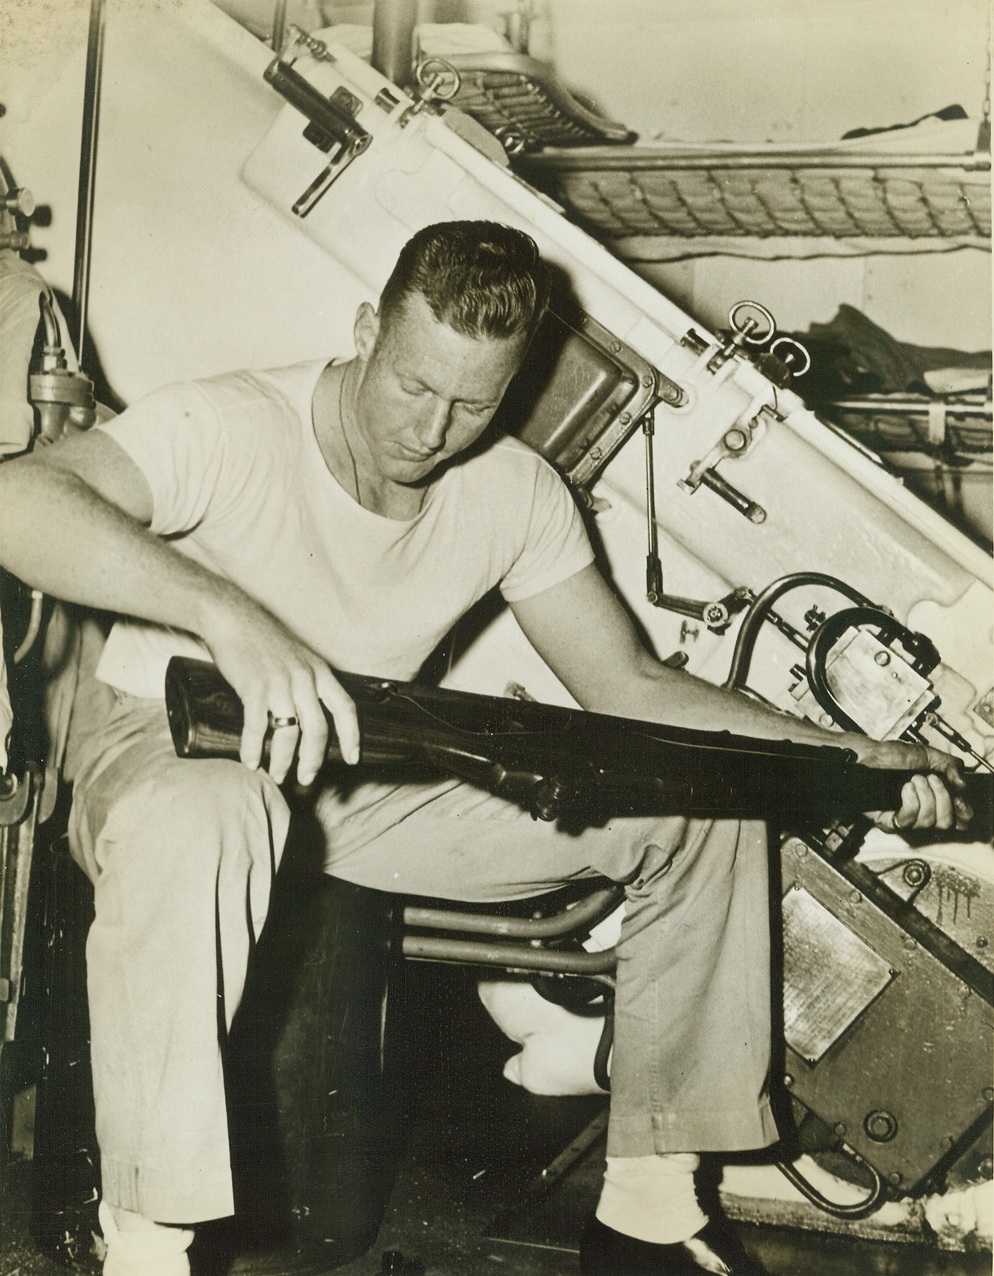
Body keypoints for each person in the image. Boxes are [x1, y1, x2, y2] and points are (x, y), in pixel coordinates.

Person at [0, 221, 968, 1276]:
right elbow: (19, 498)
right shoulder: (225, 424)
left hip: (357, 766)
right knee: (216, 815)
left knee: (702, 806)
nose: (432, 428)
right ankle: (148, 1244)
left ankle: (649, 1209)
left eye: (475, 402)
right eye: (413, 385)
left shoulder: (513, 492)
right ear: (368, 329)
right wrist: (227, 613)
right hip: (170, 742)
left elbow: (631, 686)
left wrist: (855, 758)